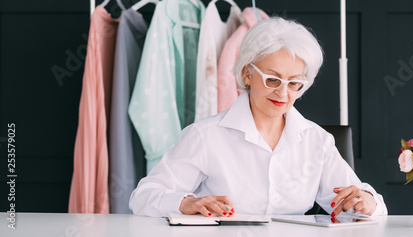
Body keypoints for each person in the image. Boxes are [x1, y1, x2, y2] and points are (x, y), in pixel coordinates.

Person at [129, 17, 388, 218]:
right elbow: (143, 197)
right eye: (272, 79)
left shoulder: (316, 141)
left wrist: (367, 202)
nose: (283, 93)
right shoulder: (205, 137)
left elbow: (360, 205)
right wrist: (186, 202)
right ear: (247, 74)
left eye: (294, 83)